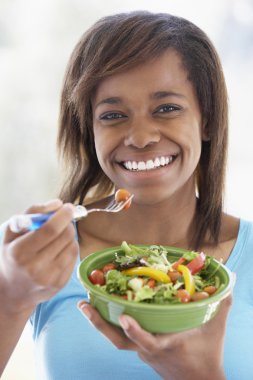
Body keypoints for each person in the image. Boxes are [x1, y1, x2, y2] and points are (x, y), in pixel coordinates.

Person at [0, 10, 252, 380]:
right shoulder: (37, 259)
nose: (140, 137)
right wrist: (10, 297)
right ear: (89, 130)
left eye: (166, 109)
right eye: (113, 115)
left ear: (209, 120)